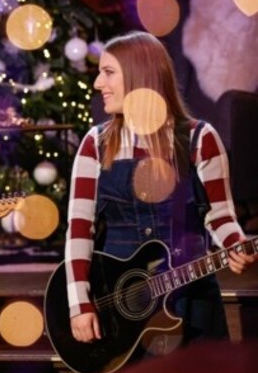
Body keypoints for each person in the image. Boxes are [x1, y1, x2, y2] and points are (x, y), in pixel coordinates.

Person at [65, 31, 255, 350]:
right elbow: (79, 230)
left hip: (192, 303)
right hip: (125, 314)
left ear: (141, 76)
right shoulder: (94, 145)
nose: (98, 84)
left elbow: (220, 215)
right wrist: (79, 304)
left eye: (108, 72)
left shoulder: (199, 138)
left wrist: (235, 245)